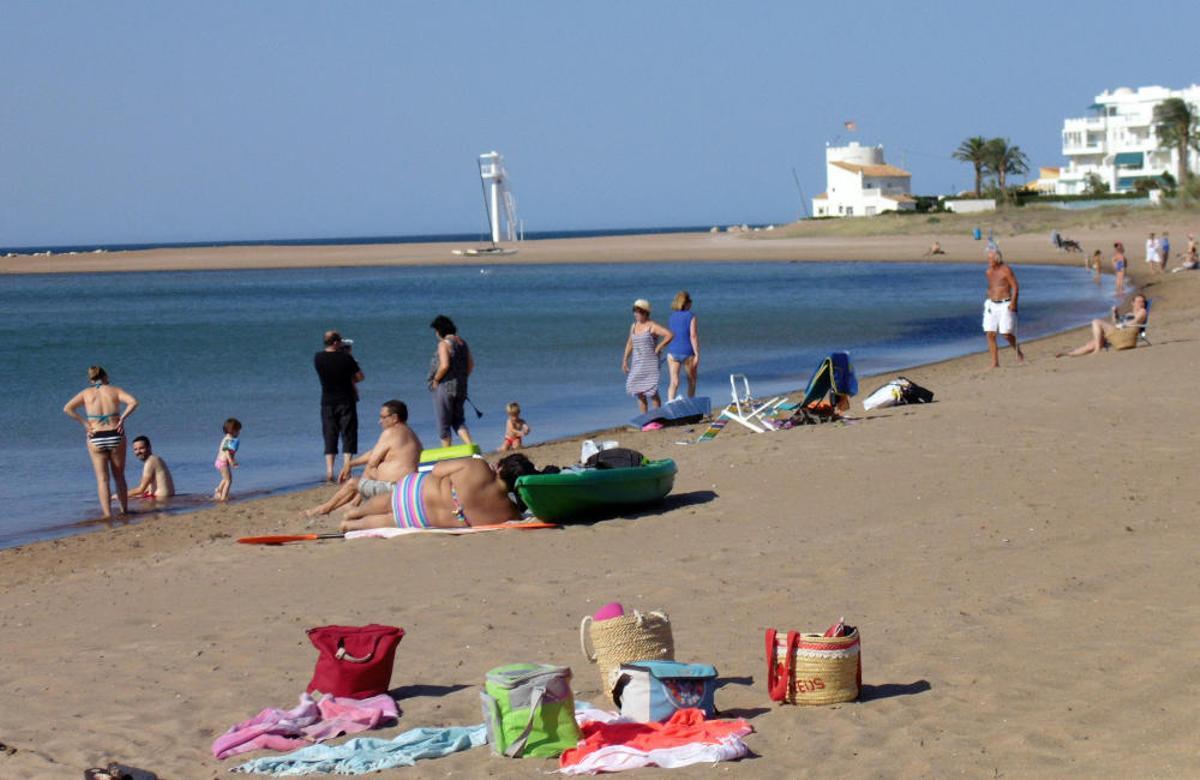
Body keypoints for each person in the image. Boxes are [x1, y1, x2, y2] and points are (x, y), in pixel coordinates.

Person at [340, 453, 536, 532]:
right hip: (420, 519)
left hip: (416, 491)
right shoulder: (509, 513)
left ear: (500, 468)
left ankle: (353, 512)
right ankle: (350, 525)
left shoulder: (479, 466)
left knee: (387, 501)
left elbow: (438, 469)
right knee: (388, 520)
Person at [304, 400, 422, 517]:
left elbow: (372, 461)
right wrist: (350, 464)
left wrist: (351, 465)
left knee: (353, 482)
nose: (379, 421)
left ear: (394, 418)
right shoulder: (411, 434)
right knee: (369, 471)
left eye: (383, 417)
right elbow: (373, 454)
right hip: (408, 488)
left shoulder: (390, 432)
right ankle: (354, 503)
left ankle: (324, 509)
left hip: (395, 489)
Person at [63, 366, 139, 519]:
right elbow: (133, 402)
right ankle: (124, 511)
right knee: (119, 476)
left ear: (91, 379)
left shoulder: (86, 393)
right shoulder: (114, 390)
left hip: (95, 435)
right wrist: (122, 418)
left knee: (102, 479)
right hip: (115, 433)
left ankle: (107, 514)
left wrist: (85, 424)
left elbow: (68, 408)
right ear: (105, 376)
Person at [314, 330, 363, 482]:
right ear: (336, 342)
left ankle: (329, 471)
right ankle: (346, 469)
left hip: (327, 401)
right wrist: (350, 377)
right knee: (348, 434)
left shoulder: (318, 358)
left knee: (330, 435)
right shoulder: (346, 358)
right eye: (340, 341)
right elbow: (360, 377)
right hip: (346, 399)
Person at [428, 315, 475, 448]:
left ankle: (446, 451)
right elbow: (471, 365)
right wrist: (461, 378)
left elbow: (444, 365)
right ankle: (471, 447)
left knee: (443, 422)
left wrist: (436, 380)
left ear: (440, 330)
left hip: (445, 387)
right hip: (461, 386)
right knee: (458, 420)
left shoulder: (443, 344)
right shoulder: (462, 343)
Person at [1055, 294, 1148, 357]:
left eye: (1142, 302)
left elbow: (1135, 321)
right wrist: (1114, 313)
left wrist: (1122, 325)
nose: (1141, 303)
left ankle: (1098, 350)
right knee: (1092, 343)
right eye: (1138, 301)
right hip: (1120, 332)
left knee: (1096, 322)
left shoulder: (1142, 311)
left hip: (1127, 333)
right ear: (1133, 303)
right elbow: (1115, 322)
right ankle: (1070, 353)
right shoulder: (1129, 313)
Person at [622, 298, 673, 413]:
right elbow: (630, 343)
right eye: (634, 311)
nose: (636, 314)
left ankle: (658, 417)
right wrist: (625, 360)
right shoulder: (634, 326)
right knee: (639, 392)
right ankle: (644, 419)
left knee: (652, 392)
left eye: (638, 311)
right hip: (637, 363)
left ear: (645, 312)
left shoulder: (652, 326)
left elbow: (669, 335)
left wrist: (659, 347)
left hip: (650, 363)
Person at [982, 249, 1024, 368]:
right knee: (990, 333)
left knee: (1006, 334)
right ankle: (995, 363)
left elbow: (1015, 287)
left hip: (1005, 304)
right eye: (988, 259)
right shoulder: (989, 272)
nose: (988, 261)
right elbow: (991, 286)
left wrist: (1014, 303)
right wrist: (988, 299)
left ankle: (1018, 351)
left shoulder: (1006, 270)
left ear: (997, 259)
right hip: (991, 304)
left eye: (990, 259)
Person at [665, 291, 700, 401]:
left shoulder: (671, 316)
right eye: (690, 301)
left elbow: (673, 333)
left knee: (674, 382)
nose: (691, 304)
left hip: (672, 352)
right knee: (691, 380)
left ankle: (670, 403)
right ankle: (691, 402)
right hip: (687, 352)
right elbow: (693, 336)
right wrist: (697, 354)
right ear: (686, 303)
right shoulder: (691, 316)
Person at [213, 418, 241, 501]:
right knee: (229, 480)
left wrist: (233, 459)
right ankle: (223, 497)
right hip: (223, 462)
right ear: (233, 430)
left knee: (225, 478)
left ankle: (219, 489)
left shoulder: (226, 438)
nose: (239, 433)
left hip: (219, 461)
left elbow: (230, 452)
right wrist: (231, 461)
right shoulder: (229, 439)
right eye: (238, 430)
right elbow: (226, 451)